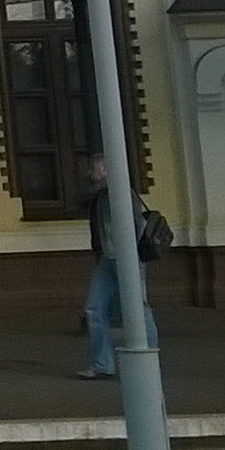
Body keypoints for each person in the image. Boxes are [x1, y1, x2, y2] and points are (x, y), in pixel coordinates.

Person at [80, 151, 158, 380]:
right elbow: (79, 198)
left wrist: (128, 254)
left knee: (138, 306)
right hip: (108, 258)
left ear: (106, 170)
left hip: (128, 258)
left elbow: (136, 225)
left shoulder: (122, 192)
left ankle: (149, 359)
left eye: (93, 169)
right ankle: (102, 364)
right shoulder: (100, 195)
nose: (89, 173)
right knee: (94, 308)